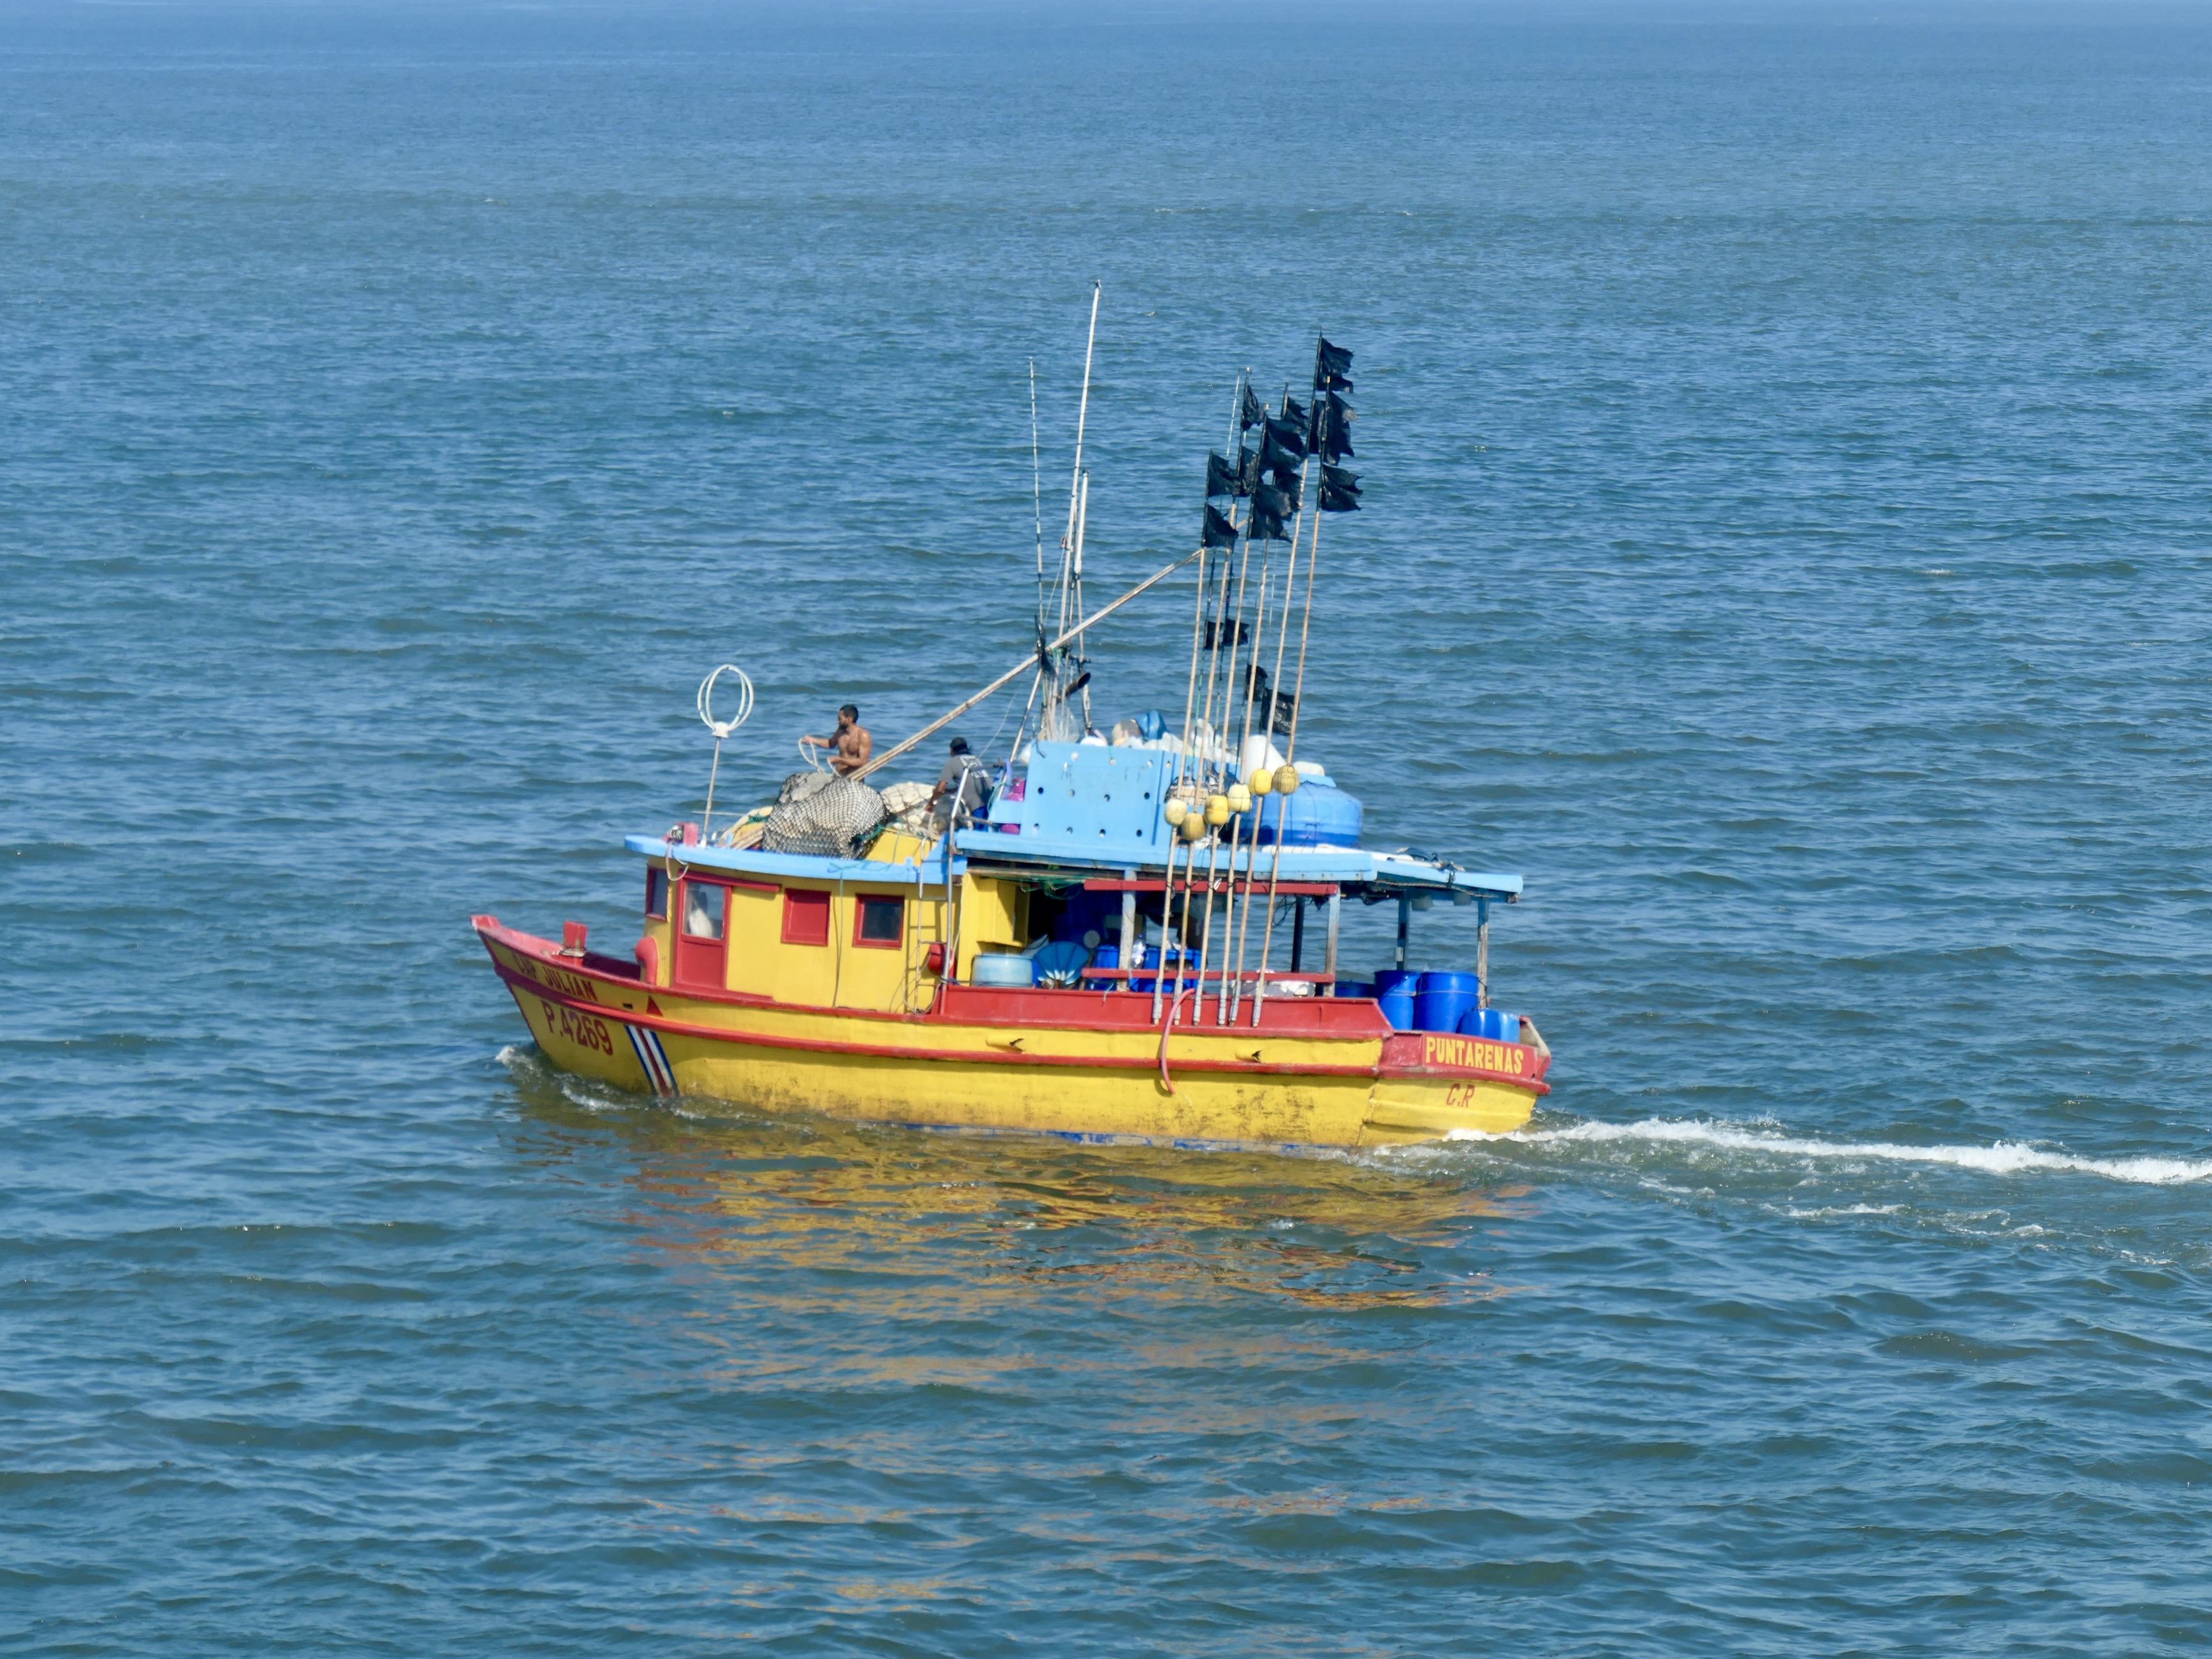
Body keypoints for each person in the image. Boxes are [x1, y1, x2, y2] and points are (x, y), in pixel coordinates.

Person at [929, 736, 989, 830]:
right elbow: (970, 781)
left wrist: (930, 804)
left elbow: (940, 789)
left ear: (952, 751)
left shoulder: (952, 762)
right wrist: (950, 791)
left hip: (977, 805)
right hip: (990, 800)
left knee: (980, 832)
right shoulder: (976, 760)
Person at [802, 704, 872, 776]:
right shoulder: (840, 732)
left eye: (840, 718)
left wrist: (840, 760)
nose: (837, 721)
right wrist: (813, 740)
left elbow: (863, 761)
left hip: (855, 776)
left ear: (849, 719)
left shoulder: (863, 735)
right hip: (839, 774)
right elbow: (831, 743)